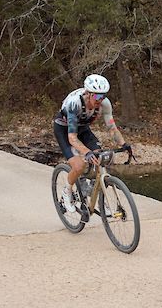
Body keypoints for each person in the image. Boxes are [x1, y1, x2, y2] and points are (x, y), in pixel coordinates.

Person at [53, 74, 126, 214]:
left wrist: (124, 144)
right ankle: (67, 192)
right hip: (64, 130)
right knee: (79, 165)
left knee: (103, 157)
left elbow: (112, 128)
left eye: (103, 96)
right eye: (98, 97)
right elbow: (72, 138)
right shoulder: (75, 104)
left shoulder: (104, 104)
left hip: (83, 129)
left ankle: (97, 190)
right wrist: (86, 152)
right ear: (88, 94)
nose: (101, 100)